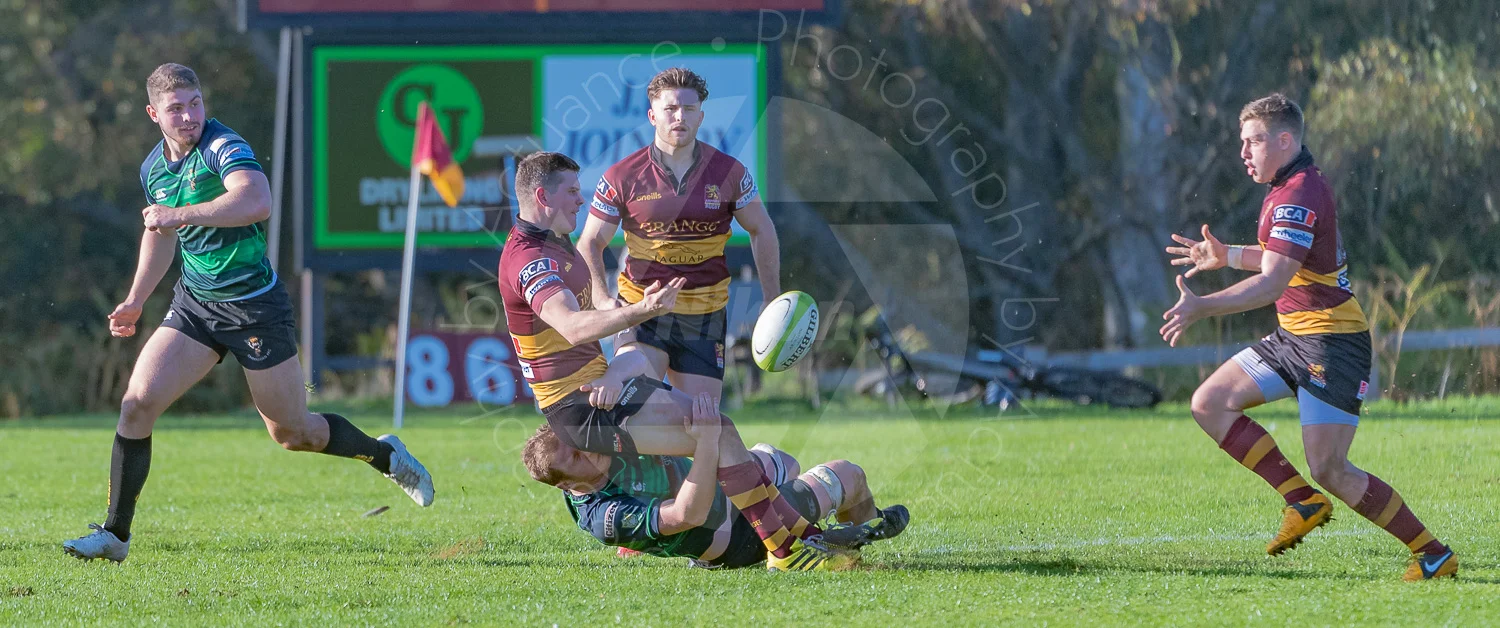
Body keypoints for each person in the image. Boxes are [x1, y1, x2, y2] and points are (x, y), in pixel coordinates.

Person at [64, 63, 433, 562]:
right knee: (136, 405)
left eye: (195, 103)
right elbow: (161, 235)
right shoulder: (154, 168)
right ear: (154, 114)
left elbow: (257, 200)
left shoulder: (222, 146)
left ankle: (383, 453)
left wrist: (180, 214)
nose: (190, 115)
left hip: (256, 308)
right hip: (196, 305)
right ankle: (115, 534)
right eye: (176, 108)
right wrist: (135, 300)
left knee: (293, 433)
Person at [500, 151, 853, 571]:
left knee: (718, 429)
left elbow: (593, 313)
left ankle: (791, 540)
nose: (581, 198)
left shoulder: (554, 243)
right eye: (572, 191)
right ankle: (789, 546)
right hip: (580, 409)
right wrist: (641, 311)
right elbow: (574, 327)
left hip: (595, 390)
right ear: (542, 196)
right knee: (715, 432)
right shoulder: (530, 260)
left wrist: (621, 349)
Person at [1163, 93, 1455, 581]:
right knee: (1209, 403)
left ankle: (1433, 554)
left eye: (1253, 141)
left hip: (1332, 346)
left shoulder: (1298, 191)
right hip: (1293, 338)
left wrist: (1203, 306)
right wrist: (1227, 256)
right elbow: (1281, 258)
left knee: (1331, 469)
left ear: (1284, 140)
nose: (1244, 152)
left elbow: (1275, 280)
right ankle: (1300, 500)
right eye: (1242, 141)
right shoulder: (1286, 187)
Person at [577, 67, 780, 409]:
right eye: (670, 108)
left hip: (705, 314)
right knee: (632, 411)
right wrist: (601, 298)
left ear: (700, 116)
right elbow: (589, 242)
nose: (679, 116)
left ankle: (763, 464)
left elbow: (762, 229)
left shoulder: (730, 173)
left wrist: (772, 300)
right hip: (641, 310)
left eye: (688, 108)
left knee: (702, 424)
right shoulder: (621, 176)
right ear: (652, 115)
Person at [522, 393, 908, 570]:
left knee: (781, 460)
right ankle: (822, 547)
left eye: (577, 442)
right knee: (848, 473)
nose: (585, 448)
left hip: (733, 493)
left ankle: (852, 534)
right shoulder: (602, 516)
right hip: (738, 540)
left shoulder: (602, 438)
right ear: (566, 485)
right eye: (574, 457)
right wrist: (707, 441)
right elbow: (688, 514)